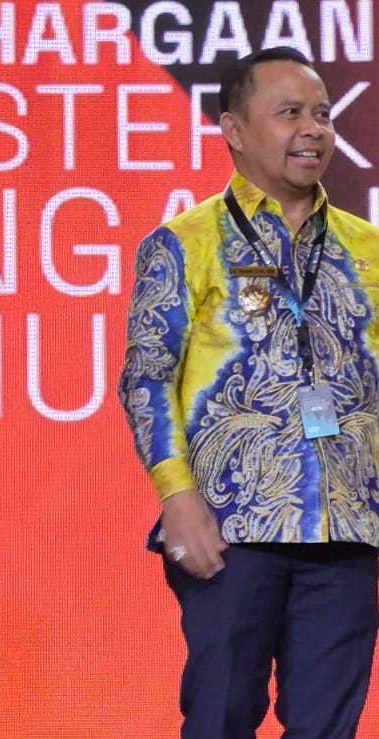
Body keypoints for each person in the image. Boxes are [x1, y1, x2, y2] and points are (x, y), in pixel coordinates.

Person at [118, 46, 379, 738]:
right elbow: (147, 378)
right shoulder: (185, 243)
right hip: (232, 528)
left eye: (323, 114)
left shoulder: (368, 248)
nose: (313, 129)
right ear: (234, 129)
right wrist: (177, 497)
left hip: (349, 530)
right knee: (221, 716)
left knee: (328, 727)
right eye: (290, 112)